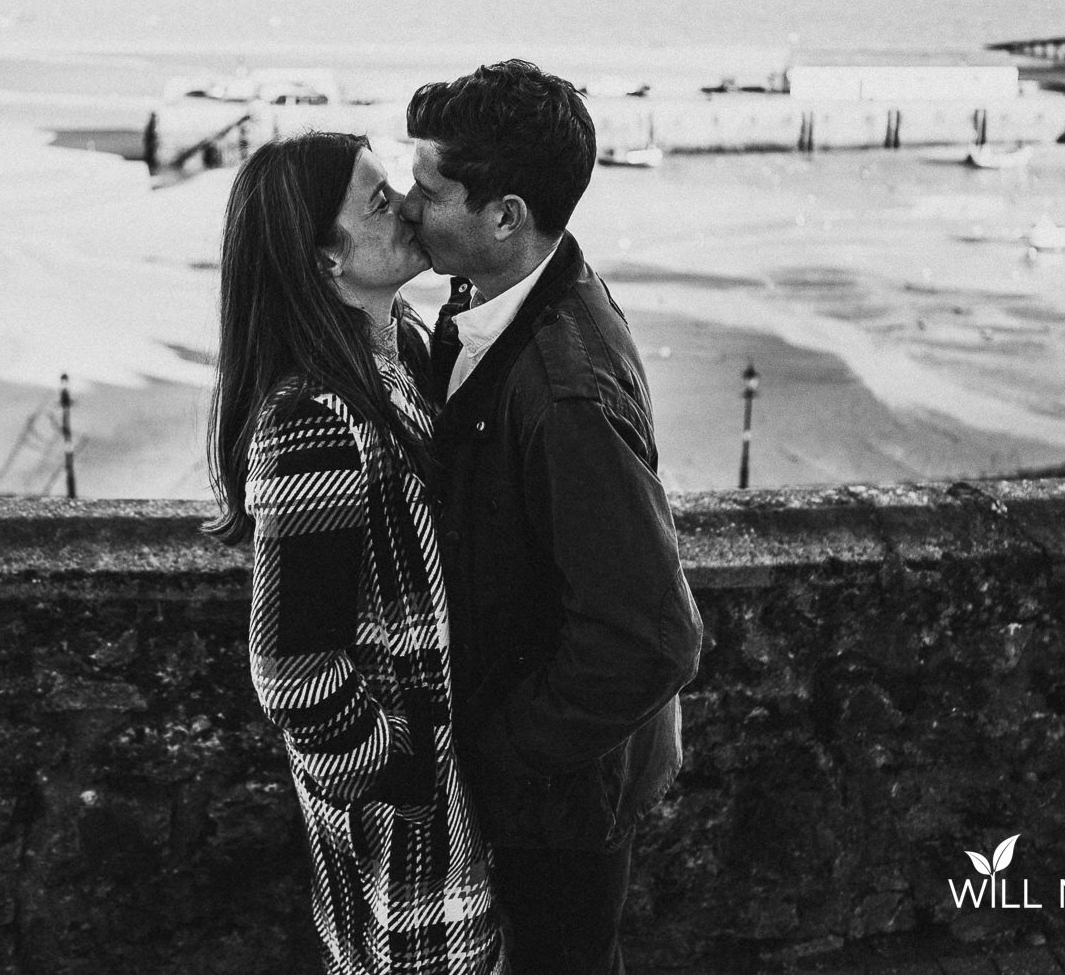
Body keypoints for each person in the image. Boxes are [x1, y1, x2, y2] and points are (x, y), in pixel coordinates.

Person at [399, 60, 704, 975]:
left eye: (428, 190)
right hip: (552, 780)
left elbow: (651, 635)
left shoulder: (562, 389)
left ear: (505, 215)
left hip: (561, 800)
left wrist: (500, 755)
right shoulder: (495, 298)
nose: (410, 208)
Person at [207, 131, 506, 975]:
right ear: (323, 261)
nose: (409, 205)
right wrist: (405, 767)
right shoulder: (311, 423)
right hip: (404, 838)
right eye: (380, 201)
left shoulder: (399, 349)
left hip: (450, 806)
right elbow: (293, 672)